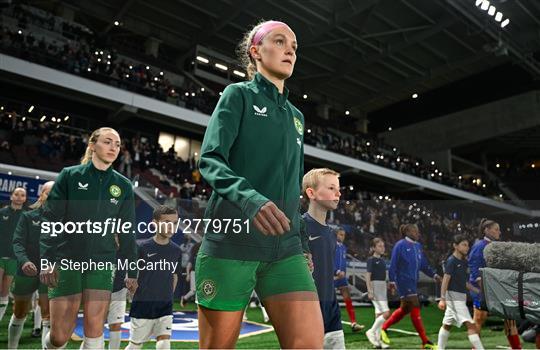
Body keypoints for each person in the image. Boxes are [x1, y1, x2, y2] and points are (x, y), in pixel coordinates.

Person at [196, 20, 324, 348]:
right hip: (232, 242)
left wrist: (302, 243)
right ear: (256, 51)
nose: (290, 50)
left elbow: (292, 186)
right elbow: (210, 159)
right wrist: (251, 199)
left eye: (294, 47)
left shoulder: (297, 116)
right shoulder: (236, 95)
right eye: (280, 42)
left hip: (285, 249)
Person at [39, 127, 138, 349]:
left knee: (94, 330)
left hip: (102, 262)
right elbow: (51, 221)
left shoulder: (123, 186)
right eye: (107, 142)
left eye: (118, 144)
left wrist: (132, 270)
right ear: (93, 145)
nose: (114, 147)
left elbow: (127, 231)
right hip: (67, 260)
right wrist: (47, 260)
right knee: (59, 336)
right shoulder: (70, 176)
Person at [125, 205, 181, 350]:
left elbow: (174, 276)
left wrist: (168, 296)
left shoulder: (176, 250)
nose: (171, 227)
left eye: (174, 223)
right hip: (143, 305)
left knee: (164, 343)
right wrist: (132, 290)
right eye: (166, 222)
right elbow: (130, 275)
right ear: (155, 223)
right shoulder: (142, 247)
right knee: (135, 345)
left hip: (165, 306)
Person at [302, 168, 345, 349]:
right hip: (305, 314)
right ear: (311, 193)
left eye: (339, 189)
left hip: (332, 312)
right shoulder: (298, 227)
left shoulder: (331, 234)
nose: (338, 193)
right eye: (331, 188)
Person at [381, 224, 441, 349]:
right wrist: (392, 281)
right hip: (403, 281)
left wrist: (434, 274)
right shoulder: (400, 245)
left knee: (405, 309)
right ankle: (425, 341)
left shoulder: (418, 246)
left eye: (418, 231)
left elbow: (423, 264)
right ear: (407, 232)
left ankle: (383, 328)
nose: (418, 233)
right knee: (415, 305)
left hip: (413, 282)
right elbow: (393, 265)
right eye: (415, 231)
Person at [468, 218, 521, 349]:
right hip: (481, 288)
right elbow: (474, 268)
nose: (499, 232)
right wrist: (482, 287)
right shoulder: (479, 246)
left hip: (496, 287)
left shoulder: (496, 246)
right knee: (479, 318)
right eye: (496, 229)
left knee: (509, 317)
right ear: (486, 230)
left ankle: (516, 347)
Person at [437, 234, 484, 350]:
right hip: (453, 298)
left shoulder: (463, 262)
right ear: (455, 246)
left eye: (468, 245)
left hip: (460, 297)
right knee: (471, 325)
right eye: (464, 245)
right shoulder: (451, 261)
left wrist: (478, 291)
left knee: (447, 325)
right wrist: (442, 299)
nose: (467, 247)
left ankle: (440, 348)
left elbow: (464, 283)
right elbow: (445, 281)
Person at [0, 187, 27, 322]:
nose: (18, 197)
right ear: (11, 197)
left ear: (25, 199)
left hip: (14, 259)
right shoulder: (2, 213)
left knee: (4, 292)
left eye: (22, 195)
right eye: (16, 194)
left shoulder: (26, 217)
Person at [334, 228, 364, 332]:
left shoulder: (344, 248)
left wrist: (343, 273)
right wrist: (336, 271)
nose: (342, 236)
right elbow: (328, 260)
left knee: (348, 299)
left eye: (344, 235)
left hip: (342, 277)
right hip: (332, 276)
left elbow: (343, 262)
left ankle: (353, 323)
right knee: (328, 301)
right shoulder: (331, 246)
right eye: (340, 234)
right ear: (336, 235)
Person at [365, 238, 390, 348]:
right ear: (374, 248)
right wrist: (370, 291)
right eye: (379, 246)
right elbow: (367, 276)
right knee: (386, 313)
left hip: (382, 287)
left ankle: (378, 341)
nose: (382, 248)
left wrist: (388, 284)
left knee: (379, 315)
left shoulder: (383, 261)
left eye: (383, 246)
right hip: (375, 288)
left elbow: (384, 275)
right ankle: (371, 332)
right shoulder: (371, 260)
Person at [107, 235, 127, 350]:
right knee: (95, 325)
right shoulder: (99, 250)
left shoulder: (125, 251)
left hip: (119, 291)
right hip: (99, 291)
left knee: (116, 324)